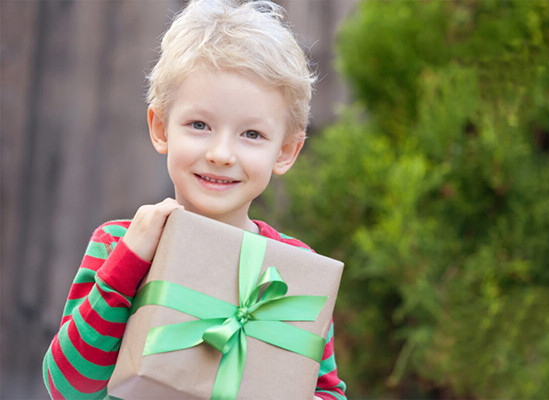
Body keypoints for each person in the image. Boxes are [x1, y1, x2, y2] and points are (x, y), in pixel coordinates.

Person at [41, 0, 346, 399]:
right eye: (199, 125)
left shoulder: (293, 272)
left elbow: (326, 392)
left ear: (286, 151)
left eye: (251, 134)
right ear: (161, 128)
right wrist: (130, 261)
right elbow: (69, 386)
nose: (221, 153)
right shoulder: (119, 245)